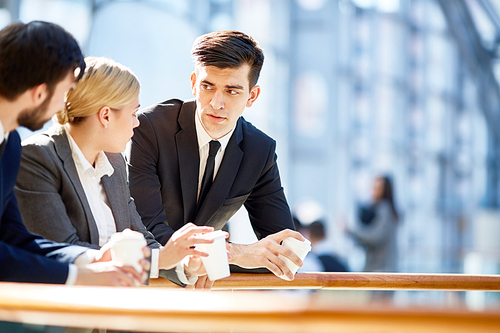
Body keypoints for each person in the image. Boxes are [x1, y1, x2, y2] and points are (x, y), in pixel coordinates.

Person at [15, 57, 215, 287]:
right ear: (106, 115)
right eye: (133, 113)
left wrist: (183, 262)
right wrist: (161, 258)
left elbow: (142, 238)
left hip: (114, 311)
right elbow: (65, 247)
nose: (137, 123)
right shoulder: (36, 157)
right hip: (63, 311)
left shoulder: (115, 162)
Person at [127, 30, 304, 286]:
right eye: (207, 87)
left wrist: (215, 260)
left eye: (232, 91)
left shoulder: (259, 150)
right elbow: (147, 231)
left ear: (252, 96)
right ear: (193, 83)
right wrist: (226, 254)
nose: (216, 103)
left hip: (201, 303)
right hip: (142, 290)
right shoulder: (150, 128)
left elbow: (285, 253)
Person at [0, 21, 147, 285]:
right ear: (40, 92)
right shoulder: (30, 153)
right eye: (66, 91)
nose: (65, 105)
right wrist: (77, 276)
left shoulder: (8, 146)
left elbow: (15, 237)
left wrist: (91, 261)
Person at [345, 175, 399, 272]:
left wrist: (351, 231)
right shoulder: (384, 209)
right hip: (379, 268)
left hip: (380, 270)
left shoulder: (384, 209)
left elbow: (374, 237)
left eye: (377, 188)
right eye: (373, 188)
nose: (373, 192)